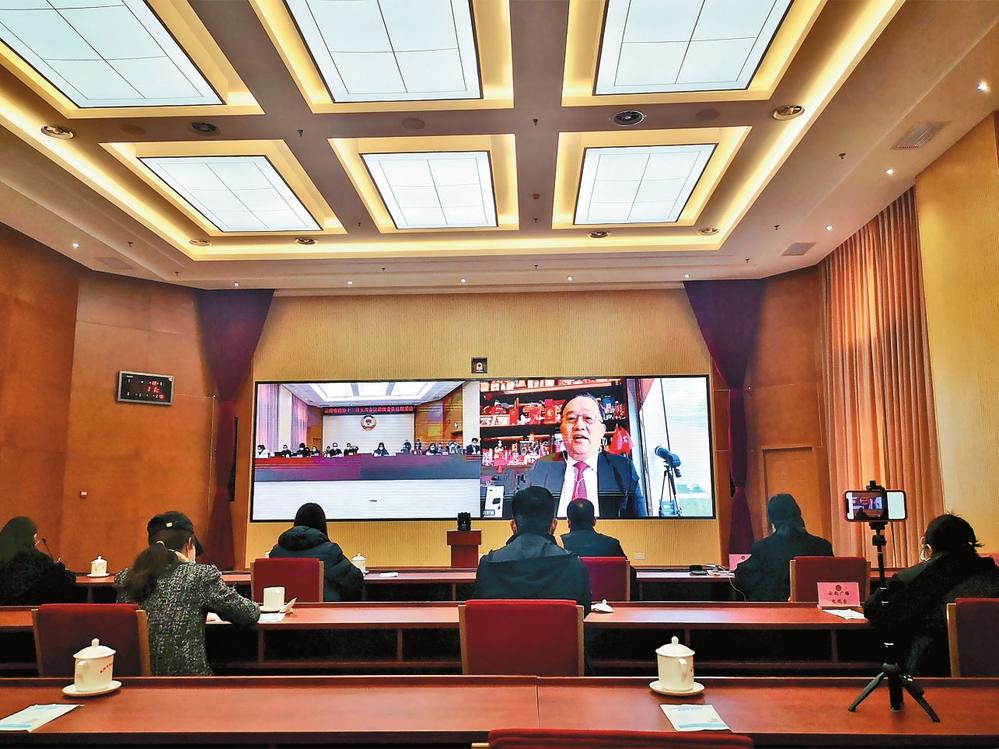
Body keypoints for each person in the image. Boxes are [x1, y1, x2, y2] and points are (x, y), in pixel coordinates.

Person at [115, 511, 259, 675]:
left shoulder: (126, 578)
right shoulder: (199, 575)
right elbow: (247, 614)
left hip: (134, 682)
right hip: (188, 684)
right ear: (190, 544)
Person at [863, 514, 999, 675]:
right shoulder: (993, 575)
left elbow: (875, 609)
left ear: (929, 547)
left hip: (930, 669)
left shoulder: (911, 578)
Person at [473, 486, 591, 614]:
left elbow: (479, 614)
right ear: (553, 525)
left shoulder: (487, 565)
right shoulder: (573, 565)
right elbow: (582, 614)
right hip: (553, 628)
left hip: (503, 628)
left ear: (513, 525)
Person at [525, 394, 646, 518]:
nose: (579, 426)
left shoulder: (623, 468)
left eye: (588, 418)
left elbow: (640, 525)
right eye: (571, 418)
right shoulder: (541, 467)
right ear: (561, 429)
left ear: (602, 430)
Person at [733, 493, 833, 601]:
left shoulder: (762, 548)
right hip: (814, 608)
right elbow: (833, 579)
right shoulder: (822, 546)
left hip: (773, 609)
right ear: (798, 514)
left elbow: (744, 578)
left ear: (772, 520)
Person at [269, 503, 363, 602]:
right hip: (322, 609)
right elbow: (354, 579)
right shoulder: (330, 551)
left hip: (282, 609)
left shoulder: (276, 552)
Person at [562, 498, 638, 598]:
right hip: (609, 603)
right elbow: (628, 574)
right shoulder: (612, 544)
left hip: (571, 603)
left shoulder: (558, 545)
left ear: (568, 522)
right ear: (594, 521)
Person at [0, 517, 82, 605]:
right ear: (27, 538)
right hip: (32, 609)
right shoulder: (34, 558)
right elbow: (63, 578)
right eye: (34, 537)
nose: (36, 541)